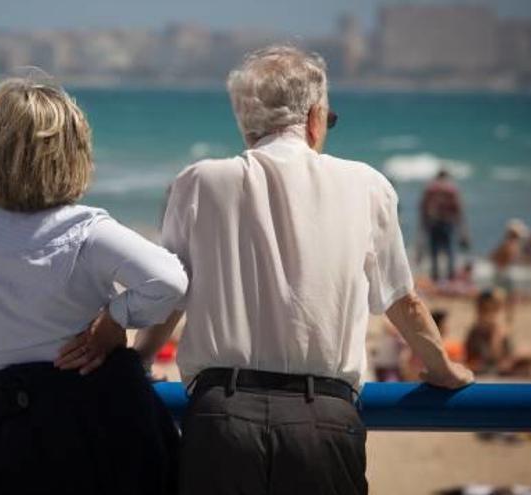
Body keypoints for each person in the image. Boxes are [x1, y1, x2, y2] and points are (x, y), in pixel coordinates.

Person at [137, 45, 473, 495]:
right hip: (324, 422)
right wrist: (442, 368)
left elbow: (170, 291)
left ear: (245, 120)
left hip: (222, 420)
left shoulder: (198, 182)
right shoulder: (366, 185)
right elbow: (401, 300)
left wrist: (137, 361)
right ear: (316, 116)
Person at [0, 77, 186, 494]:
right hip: (108, 436)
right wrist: (114, 320)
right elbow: (171, 281)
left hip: (11, 447)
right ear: (72, 157)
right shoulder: (84, 231)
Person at [465, 289, 531, 378]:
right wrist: (496, 334)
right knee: (526, 354)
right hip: (493, 368)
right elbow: (494, 357)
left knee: (528, 353)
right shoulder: (478, 331)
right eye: (489, 308)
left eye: (495, 308)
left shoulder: (494, 327)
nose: (493, 313)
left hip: (501, 365)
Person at [420, 169, 469, 282]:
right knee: (450, 251)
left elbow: (423, 209)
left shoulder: (430, 188)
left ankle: (435, 278)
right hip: (448, 222)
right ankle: (451, 277)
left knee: (434, 252)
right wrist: (464, 231)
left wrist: (423, 226)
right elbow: (459, 210)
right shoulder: (451, 189)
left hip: (433, 223)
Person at [490, 219, 529, 322]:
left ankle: (501, 318)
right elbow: (506, 258)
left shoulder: (506, 244)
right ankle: (507, 319)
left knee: (501, 298)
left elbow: (493, 257)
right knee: (508, 299)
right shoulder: (511, 245)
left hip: (501, 272)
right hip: (506, 273)